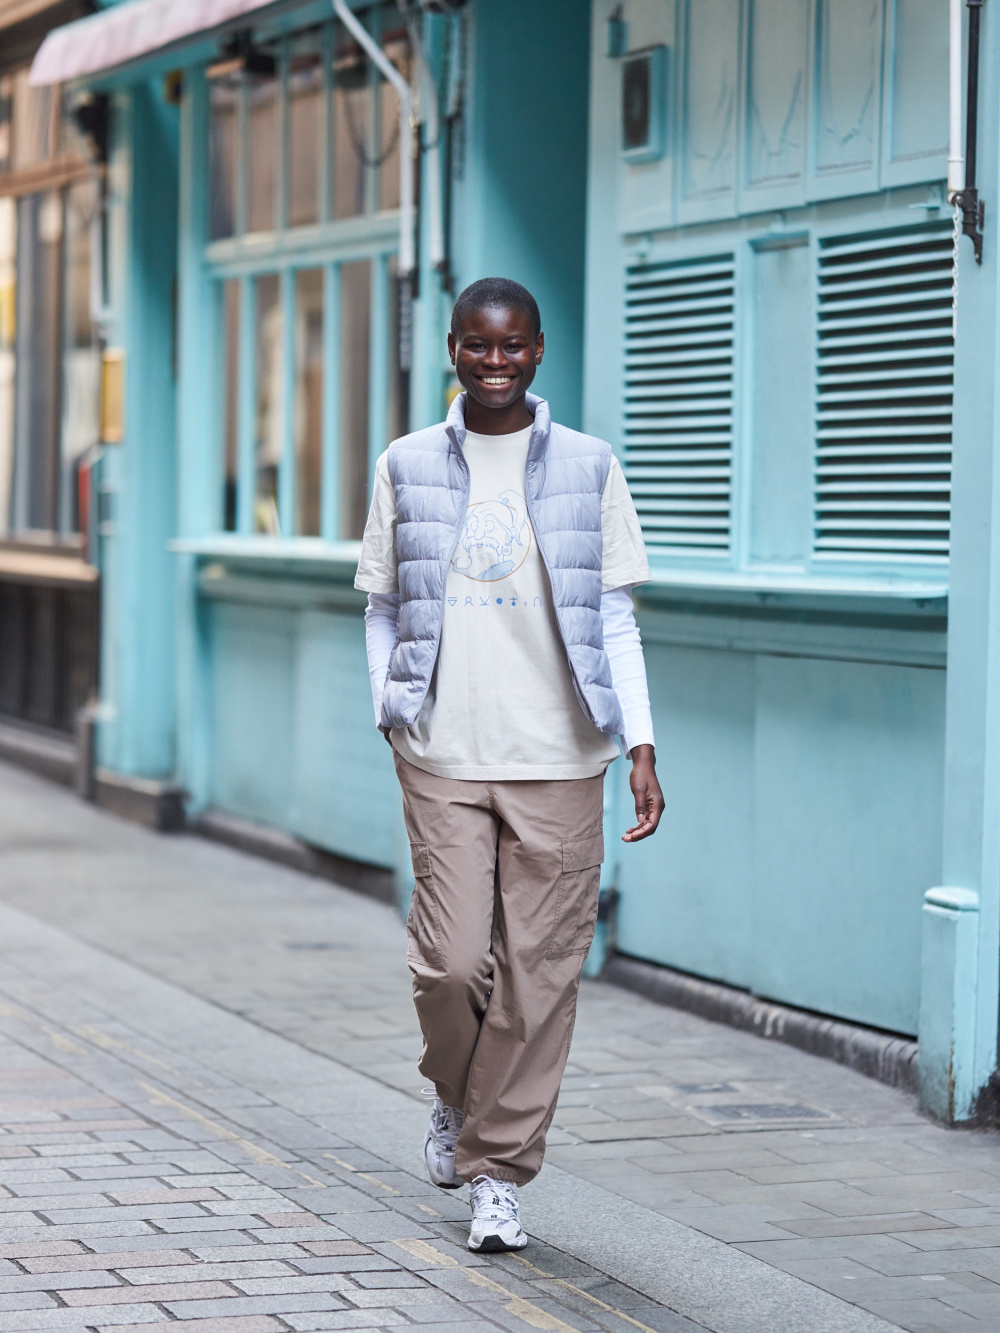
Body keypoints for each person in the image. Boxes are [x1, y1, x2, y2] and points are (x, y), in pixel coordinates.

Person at [355, 276, 664, 1253]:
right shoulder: (405, 464)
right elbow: (380, 603)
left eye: (513, 346)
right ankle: (455, 1095)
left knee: (540, 975)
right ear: (451, 347)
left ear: (538, 350)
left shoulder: (588, 464)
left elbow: (615, 615)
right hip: (443, 750)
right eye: (476, 346)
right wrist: (391, 709)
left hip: (562, 756)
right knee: (449, 965)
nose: (495, 362)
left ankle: (495, 1172)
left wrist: (641, 741)